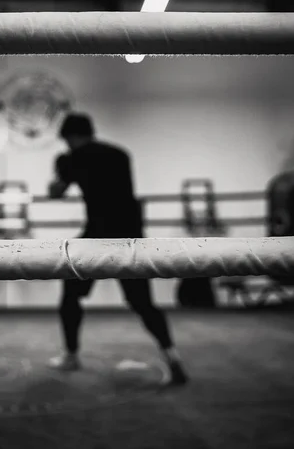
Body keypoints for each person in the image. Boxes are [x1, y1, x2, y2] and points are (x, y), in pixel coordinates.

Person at [47, 112, 188, 386]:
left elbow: (57, 192)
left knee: (70, 293)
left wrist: (58, 175)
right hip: (130, 236)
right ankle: (173, 357)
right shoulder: (119, 154)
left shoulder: (71, 158)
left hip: (97, 236)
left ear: (69, 137)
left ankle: (71, 355)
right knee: (143, 303)